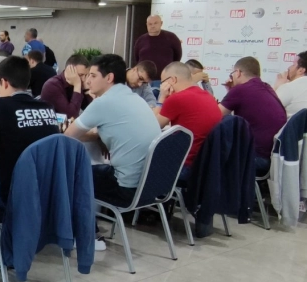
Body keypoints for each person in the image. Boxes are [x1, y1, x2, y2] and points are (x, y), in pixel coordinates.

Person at [0, 57, 59, 266]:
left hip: (15, 197)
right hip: (47, 195)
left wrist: (2, 142)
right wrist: (7, 141)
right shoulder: (47, 107)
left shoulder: (0, 105)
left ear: (4, 82)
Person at [65, 54, 161, 249]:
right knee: (90, 169)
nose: (88, 81)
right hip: (150, 186)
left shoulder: (104, 102)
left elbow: (67, 136)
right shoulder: (134, 98)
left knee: (70, 175)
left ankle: (88, 236)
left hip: (126, 189)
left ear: (109, 78)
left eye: (93, 76)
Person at [153, 62, 222, 180]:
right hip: (206, 166)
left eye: (163, 82)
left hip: (184, 166)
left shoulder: (177, 98)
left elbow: (154, 126)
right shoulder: (208, 96)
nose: (162, 86)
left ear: (172, 80)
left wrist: (162, 97)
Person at [219, 57, 286, 176]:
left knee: (209, 157)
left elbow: (214, 115)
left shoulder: (240, 90)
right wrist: (231, 91)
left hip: (255, 159)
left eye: (232, 74)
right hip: (272, 158)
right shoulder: (267, 87)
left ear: (238, 73)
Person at [40, 54, 93, 119]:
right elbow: (71, 116)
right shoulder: (52, 85)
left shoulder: (78, 82)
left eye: (86, 75)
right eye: (80, 75)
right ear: (69, 71)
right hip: (53, 123)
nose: (84, 79)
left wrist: (86, 90)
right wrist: (77, 86)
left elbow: (92, 110)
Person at [133, 15, 182, 83]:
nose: (152, 26)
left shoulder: (171, 37)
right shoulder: (140, 40)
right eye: (150, 24)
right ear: (146, 25)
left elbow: (177, 57)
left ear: (161, 23)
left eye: (155, 23)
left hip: (165, 80)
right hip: (144, 81)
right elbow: (137, 58)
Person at [273, 51, 307, 118]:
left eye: (293, 65)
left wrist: (277, 86)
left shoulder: (289, 88)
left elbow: (266, 107)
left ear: (301, 70)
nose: (289, 68)